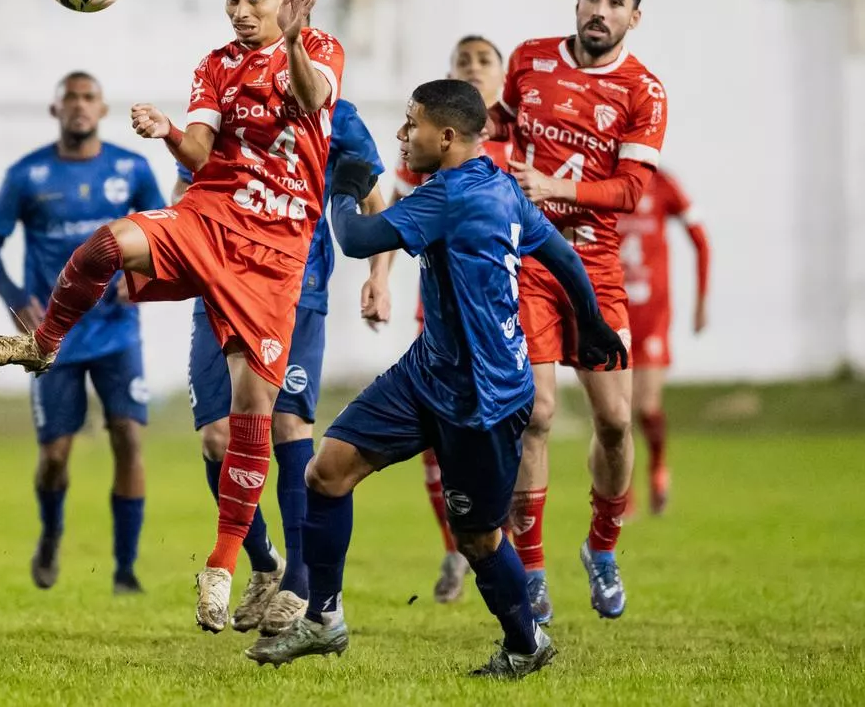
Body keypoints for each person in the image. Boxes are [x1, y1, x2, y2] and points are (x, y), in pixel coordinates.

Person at [0, 0, 345, 633]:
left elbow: (313, 99)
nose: (240, 12)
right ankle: (45, 345)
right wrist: (170, 131)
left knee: (251, 411)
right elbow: (203, 153)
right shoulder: (216, 64)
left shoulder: (317, 45)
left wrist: (291, 36)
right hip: (213, 214)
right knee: (110, 242)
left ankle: (227, 563)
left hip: (276, 252)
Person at [244, 79, 626, 677]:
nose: (401, 133)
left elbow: (355, 238)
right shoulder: (497, 184)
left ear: (446, 138)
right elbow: (560, 252)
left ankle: (527, 644)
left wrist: (343, 187)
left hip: (482, 399)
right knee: (327, 471)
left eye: (411, 122)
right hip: (431, 371)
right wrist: (594, 324)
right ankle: (324, 618)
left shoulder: (452, 195)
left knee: (478, 541)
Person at [488, 0, 667, 623]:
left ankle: (602, 546)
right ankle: (531, 570)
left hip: (594, 270)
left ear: (633, 17)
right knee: (536, 412)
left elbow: (628, 190)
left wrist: (556, 187)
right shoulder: (531, 61)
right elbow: (501, 127)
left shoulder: (644, 90)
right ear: (578, 1)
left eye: (615, 2)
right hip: (531, 260)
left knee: (617, 422)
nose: (600, 9)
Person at [169, 95, 389, 636]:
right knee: (218, 440)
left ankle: (301, 582)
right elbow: (184, 189)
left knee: (289, 426)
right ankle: (267, 564)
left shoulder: (338, 115)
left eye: (256, 0)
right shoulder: (221, 103)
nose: (247, 11)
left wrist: (379, 278)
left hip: (297, 293)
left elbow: (375, 201)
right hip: (220, 289)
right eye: (237, 1)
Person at [0, 71, 165, 593]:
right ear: (55, 111)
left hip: (115, 331)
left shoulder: (131, 168)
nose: (79, 107)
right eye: (70, 99)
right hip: (51, 339)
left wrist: (143, 273)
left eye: (89, 98)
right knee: (55, 455)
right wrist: (16, 301)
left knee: (128, 438)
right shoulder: (27, 175)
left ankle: (125, 571)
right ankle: (51, 533)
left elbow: (166, 227)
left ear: (102, 110)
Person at [392, 34, 513, 603]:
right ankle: (458, 545)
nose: (472, 67)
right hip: (439, 315)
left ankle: (508, 557)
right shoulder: (427, 147)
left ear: (502, 75)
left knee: (521, 427)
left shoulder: (514, 143)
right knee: (438, 437)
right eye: (462, 60)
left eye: (483, 60)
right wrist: (375, 278)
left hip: (507, 315)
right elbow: (396, 215)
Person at [616, 168, 710, 515]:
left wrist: (701, 301)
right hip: (614, 314)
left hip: (653, 315)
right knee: (616, 414)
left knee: (645, 406)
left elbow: (700, 238)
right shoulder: (604, 182)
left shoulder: (663, 185)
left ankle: (658, 468)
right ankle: (623, 496)